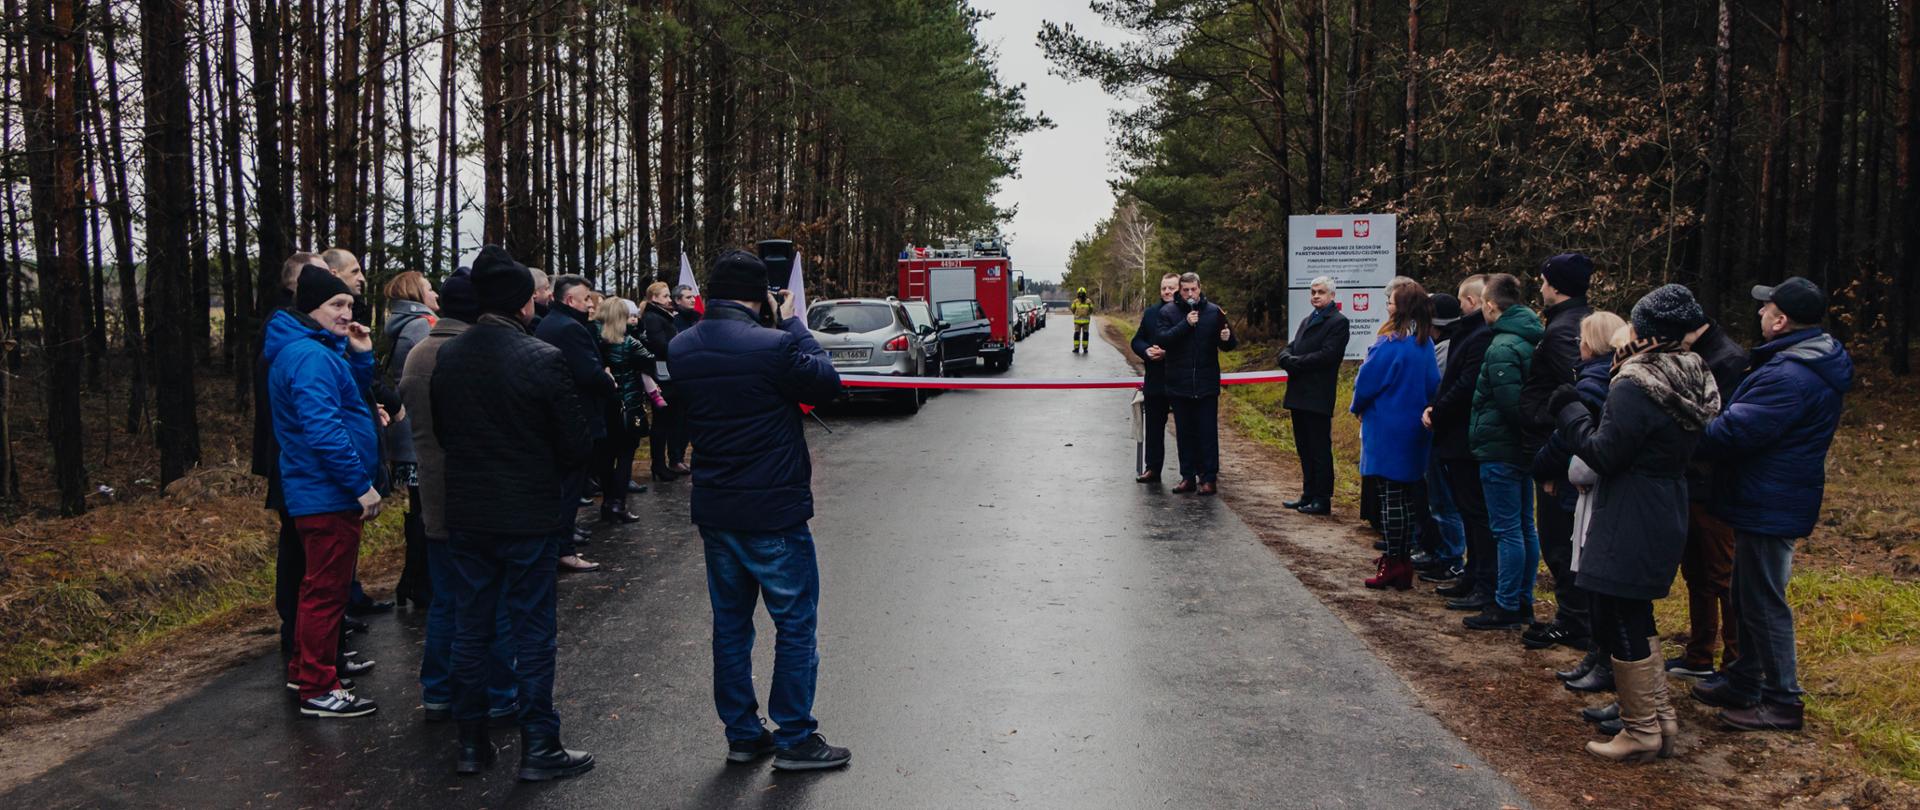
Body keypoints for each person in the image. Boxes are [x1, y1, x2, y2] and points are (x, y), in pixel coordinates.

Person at [670, 250, 848, 770]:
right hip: (773, 509)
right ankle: (794, 736)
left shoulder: (682, 346)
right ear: (760, 295)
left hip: (717, 506)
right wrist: (793, 323)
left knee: (730, 626)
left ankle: (743, 734)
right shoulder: (774, 345)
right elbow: (826, 384)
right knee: (794, 622)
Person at [433, 245, 595, 780]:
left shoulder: (449, 356)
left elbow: (444, 433)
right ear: (525, 303)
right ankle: (540, 745)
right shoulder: (541, 358)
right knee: (531, 630)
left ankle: (471, 744)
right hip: (527, 515)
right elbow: (575, 443)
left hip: (469, 514)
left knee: (471, 628)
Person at [1553, 284, 1721, 762]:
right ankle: (1659, 719)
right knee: (1636, 612)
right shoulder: (1692, 372)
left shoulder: (1636, 381)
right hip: (1667, 500)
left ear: (1644, 329)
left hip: (1630, 505)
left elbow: (1605, 452)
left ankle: (1641, 729)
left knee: (1620, 612)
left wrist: (1569, 412)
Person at [1692, 277, 1852, 733]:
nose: (1759, 313)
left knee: (1764, 600)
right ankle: (1745, 681)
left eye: (1767, 308)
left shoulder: (1789, 375)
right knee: (1748, 594)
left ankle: (1783, 700)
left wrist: (1684, 428)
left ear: (1781, 321)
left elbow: (1734, 433)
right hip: (1767, 494)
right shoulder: (1801, 362)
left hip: (1770, 498)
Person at [399, 268, 521, 728]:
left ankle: (438, 691)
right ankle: (498, 694)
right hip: (477, 497)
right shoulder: (468, 354)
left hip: (433, 494)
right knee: (495, 600)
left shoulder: (418, 353)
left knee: (447, 600)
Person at [264, 265, 384, 718]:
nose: (345, 312)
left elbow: (349, 398)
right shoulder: (309, 356)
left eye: (349, 305)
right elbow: (325, 430)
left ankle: (304, 670)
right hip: (326, 492)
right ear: (311, 307)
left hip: (319, 490)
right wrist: (361, 486)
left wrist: (361, 354)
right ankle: (318, 687)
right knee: (325, 591)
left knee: (318, 587)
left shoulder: (314, 350)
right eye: (336, 305)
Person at [1543, 312, 1629, 698]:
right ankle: (1597, 654)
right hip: (1586, 482)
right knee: (1585, 568)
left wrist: (1544, 465)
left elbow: (1576, 435)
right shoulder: (1595, 377)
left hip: (1593, 486)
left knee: (1589, 570)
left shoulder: (1595, 382)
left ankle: (1602, 656)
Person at [1520, 254, 1597, 652]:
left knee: (1559, 539)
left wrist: (1555, 457)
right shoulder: (1569, 322)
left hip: (1558, 452)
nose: (1540, 285)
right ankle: (1575, 618)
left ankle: (1575, 621)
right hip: (1555, 446)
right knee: (1560, 538)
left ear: (1556, 284)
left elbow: (1578, 393)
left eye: (1545, 279)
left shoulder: (1566, 330)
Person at [1667, 314, 1750, 680]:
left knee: (1722, 575)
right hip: (1690, 480)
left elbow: (1725, 426)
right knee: (1696, 572)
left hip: (1715, 483)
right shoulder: (1694, 354)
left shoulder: (1728, 360)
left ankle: (1735, 662)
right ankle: (1699, 654)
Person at [255, 251, 328, 658]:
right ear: (296, 284)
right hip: (292, 457)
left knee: (306, 552)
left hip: (294, 456)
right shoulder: (284, 332)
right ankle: (300, 639)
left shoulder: (299, 331)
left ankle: (315, 640)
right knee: (299, 550)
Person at [1462, 273, 1544, 631]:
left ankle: (1507, 603)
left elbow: (1512, 406)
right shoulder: (1531, 339)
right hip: (1519, 451)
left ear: (1491, 306)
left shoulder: (1501, 347)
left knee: (1507, 530)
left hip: (1501, 450)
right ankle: (1522, 600)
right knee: (1525, 526)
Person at [1350, 282, 1440, 590]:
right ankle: (1403, 561)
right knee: (1405, 496)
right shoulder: (1424, 343)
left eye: (1390, 301)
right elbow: (1433, 384)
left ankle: (1394, 560)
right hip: (1414, 428)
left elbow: (1365, 383)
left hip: (1387, 427)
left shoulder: (1389, 344)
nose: (1387, 305)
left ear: (1400, 307)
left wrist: (1357, 407)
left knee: (1390, 499)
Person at [1428, 275, 1498, 612]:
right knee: (1469, 511)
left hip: (1465, 436)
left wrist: (1438, 411)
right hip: (1456, 435)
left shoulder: (1479, 336)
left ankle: (1485, 580)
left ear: (1472, 301)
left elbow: (1465, 385)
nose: (1458, 305)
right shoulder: (1468, 332)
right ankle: (1473, 573)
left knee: (1476, 512)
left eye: (1461, 299)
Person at [533, 274, 610, 574]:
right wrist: (608, 380)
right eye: (586, 298)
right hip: (576, 418)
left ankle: (559, 545)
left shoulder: (552, 324)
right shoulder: (569, 329)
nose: (591, 304)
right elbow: (589, 372)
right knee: (569, 488)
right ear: (570, 301)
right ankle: (564, 549)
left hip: (562, 417)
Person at [382, 271, 439, 609]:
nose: (435, 293)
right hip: (417, 432)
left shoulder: (399, 324)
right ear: (416, 293)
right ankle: (419, 580)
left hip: (406, 434)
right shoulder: (420, 326)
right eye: (429, 288)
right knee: (425, 510)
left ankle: (412, 579)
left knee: (419, 507)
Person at [1156, 273, 1239, 495]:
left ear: (1200, 288)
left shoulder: (1214, 312)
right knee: (1184, 433)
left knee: (1207, 433)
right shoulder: (1168, 312)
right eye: (1185, 290)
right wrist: (1185, 324)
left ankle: (1209, 478)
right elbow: (1163, 339)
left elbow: (1231, 344)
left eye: (1194, 289)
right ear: (1179, 292)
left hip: (1206, 383)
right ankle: (1187, 477)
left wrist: (1226, 338)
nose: (1190, 294)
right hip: (1178, 383)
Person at [1276, 275, 1351, 514]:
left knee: (1319, 448)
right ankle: (1307, 493)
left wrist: (1295, 362)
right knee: (1303, 447)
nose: (1315, 296)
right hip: (1298, 392)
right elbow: (1291, 346)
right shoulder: (1308, 319)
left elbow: (1328, 356)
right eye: (1313, 292)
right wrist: (1286, 357)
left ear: (1331, 296)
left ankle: (1322, 498)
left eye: (1320, 292)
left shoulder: (1338, 322)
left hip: (1318, 393)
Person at [1415, 293, 1468, 582]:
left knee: (1444, 502)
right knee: (1438, 499)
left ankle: (1451, 557)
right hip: (1440, 430)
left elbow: (1438, 388)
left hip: (1442, 431)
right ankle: (1442, 552)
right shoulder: (1446, 346)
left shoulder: (1445, 350)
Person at [594, 295, 652, 524]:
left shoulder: (593, 340)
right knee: (625, 456)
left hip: (604, 406)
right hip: (627, 405)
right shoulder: (630, 343)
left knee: (605, 457)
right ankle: (618, 503)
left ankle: (608, 502)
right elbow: (649, 361)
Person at [1131, 274, 1181, 483]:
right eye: (1164, 288)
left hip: (1181, 379)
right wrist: (1146, 350)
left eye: (1171, 288)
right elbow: (1137, 340)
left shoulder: (1188, 314)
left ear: (1180, 289)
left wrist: (1168, 354)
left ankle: (1191, 472)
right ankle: (1152, 468)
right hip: (1155, 379)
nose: (1167, 292)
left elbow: (1194, 345)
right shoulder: (1151, 313)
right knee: (1153, 427)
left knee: (1187, 428)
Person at [642, 281, 691, 480]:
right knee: (662, 422)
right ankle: (659, 464)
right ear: (654, 298)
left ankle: (672, 459)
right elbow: (660, 345)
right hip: (662, 376)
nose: (669, 300)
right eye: (665, 296)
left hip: (671, 374)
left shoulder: (665, 317)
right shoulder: (653, 318)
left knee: (674, 419)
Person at [1070, 287, 1094, 353]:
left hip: (1081, 322)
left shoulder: (1086, 301)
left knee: (1081, 335)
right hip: (1083, 322)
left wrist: (1076, 314)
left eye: (1081, 294)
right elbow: (1091, 310)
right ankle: (1083, 348)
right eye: (1080, 294)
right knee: (1082, 335)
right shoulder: (1086, 301)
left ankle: (1078, 348)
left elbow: (1072, 309)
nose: (1081, 295)